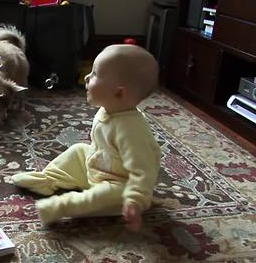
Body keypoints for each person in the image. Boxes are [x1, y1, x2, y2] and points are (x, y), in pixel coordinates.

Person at [11, 44, 161, 231]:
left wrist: (136, 200)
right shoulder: (110, 109)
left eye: (95, 74)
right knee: (79, 150)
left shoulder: (131, 130)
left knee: (106, 195)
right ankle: (49, 179)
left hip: (120, 184)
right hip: (101, 167)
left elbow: (143, 171)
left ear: (119, 93)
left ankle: (61, 207)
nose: (87, 77)